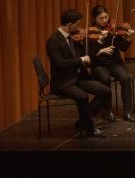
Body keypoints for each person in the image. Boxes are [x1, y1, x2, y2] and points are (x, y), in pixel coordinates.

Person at [46, 9, 112, 138]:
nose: (79, 28)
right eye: (77, 25)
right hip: (63, 81)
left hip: (78, 78)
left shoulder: (72, 38)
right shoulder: (53, 41)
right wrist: (80, 60)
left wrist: (97, 45)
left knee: (105, 91)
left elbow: (86, 57)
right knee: (83, 97)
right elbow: (60, 63)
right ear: (70, 25)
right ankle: (90, 128)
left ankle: (83, 122)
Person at [87, 4, 135, 123]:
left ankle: (127, 111)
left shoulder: (113, 30)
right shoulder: (90, 32)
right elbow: (90, 54)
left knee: (125, 78)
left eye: (106, 17)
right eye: (101, 18)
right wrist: (100, 45)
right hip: (99, 64)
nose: (104, 20)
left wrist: (128, 39)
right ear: (94, 19)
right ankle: (107, 110)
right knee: (105, 79)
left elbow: (123, 48)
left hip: (114, 63)